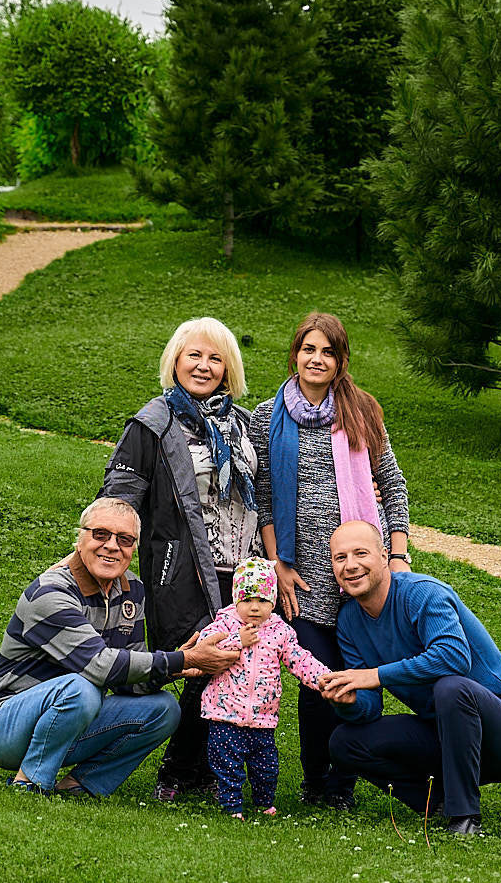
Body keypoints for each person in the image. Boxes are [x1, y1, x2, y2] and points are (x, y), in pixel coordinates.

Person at [0, 497, 244, 797]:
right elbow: (100, 666)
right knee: (82, 688)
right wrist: (182, 658)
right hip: (2, 728)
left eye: (125, 539)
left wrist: (184, 667)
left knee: (164, 709)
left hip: (71, 719)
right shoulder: (51, 592)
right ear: (80, 538)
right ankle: (31, 782)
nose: (112, 546)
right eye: (100, 534)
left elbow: (129, 682)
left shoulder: (132, 589)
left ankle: (83, 786)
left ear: (133, 548)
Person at [249, 312, 412, 810]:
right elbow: (262, 497)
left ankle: (347, 778)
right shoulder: (266, 416)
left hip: (360, 572)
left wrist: (398, 554)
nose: (316, 360)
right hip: (301, 577)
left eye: (328, 352)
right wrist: (278, 563)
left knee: (358, 674)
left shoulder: (362, 411)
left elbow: (394, 483)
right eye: (308, 349)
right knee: (318, 679)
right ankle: (319, 781)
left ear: (341, 361)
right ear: (295, 354)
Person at [103, 317, 260, 802]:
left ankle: (203, 770)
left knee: (235, 663)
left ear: (228, 368)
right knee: (204, 659)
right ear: (174, 359)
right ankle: (178, 771)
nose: (204, 365)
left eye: (215, 358)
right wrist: (111, 560)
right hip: (182, 567)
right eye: (194, 354)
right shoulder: (151, 424)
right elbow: (119, 498)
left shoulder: (243, 424)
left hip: (242, 565)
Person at [320, 520, 501, 836]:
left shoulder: (423, 593)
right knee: (344, 741)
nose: (351, 565)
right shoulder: (349, 621)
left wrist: (375, 675)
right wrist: (350, 701)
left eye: (360, 553)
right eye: (340, 558)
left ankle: (464, 819)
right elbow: (370, 706)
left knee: (451, 687)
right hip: (446, 736)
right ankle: (433, 802)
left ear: (384, 556)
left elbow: (454, 658)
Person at [187, 557, 333, 819]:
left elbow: (299, 659)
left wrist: (323, 677)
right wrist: (237, 640)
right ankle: (231, 806)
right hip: (225, 714)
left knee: (266, 767)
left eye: (263, 600)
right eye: (247, 600)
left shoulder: (279, 631)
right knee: (227, 765)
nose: (254, 607)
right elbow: (205, 651)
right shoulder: (224, 624)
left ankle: (264, 803)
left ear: (273, 600)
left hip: (262, 718)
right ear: (235, 599)